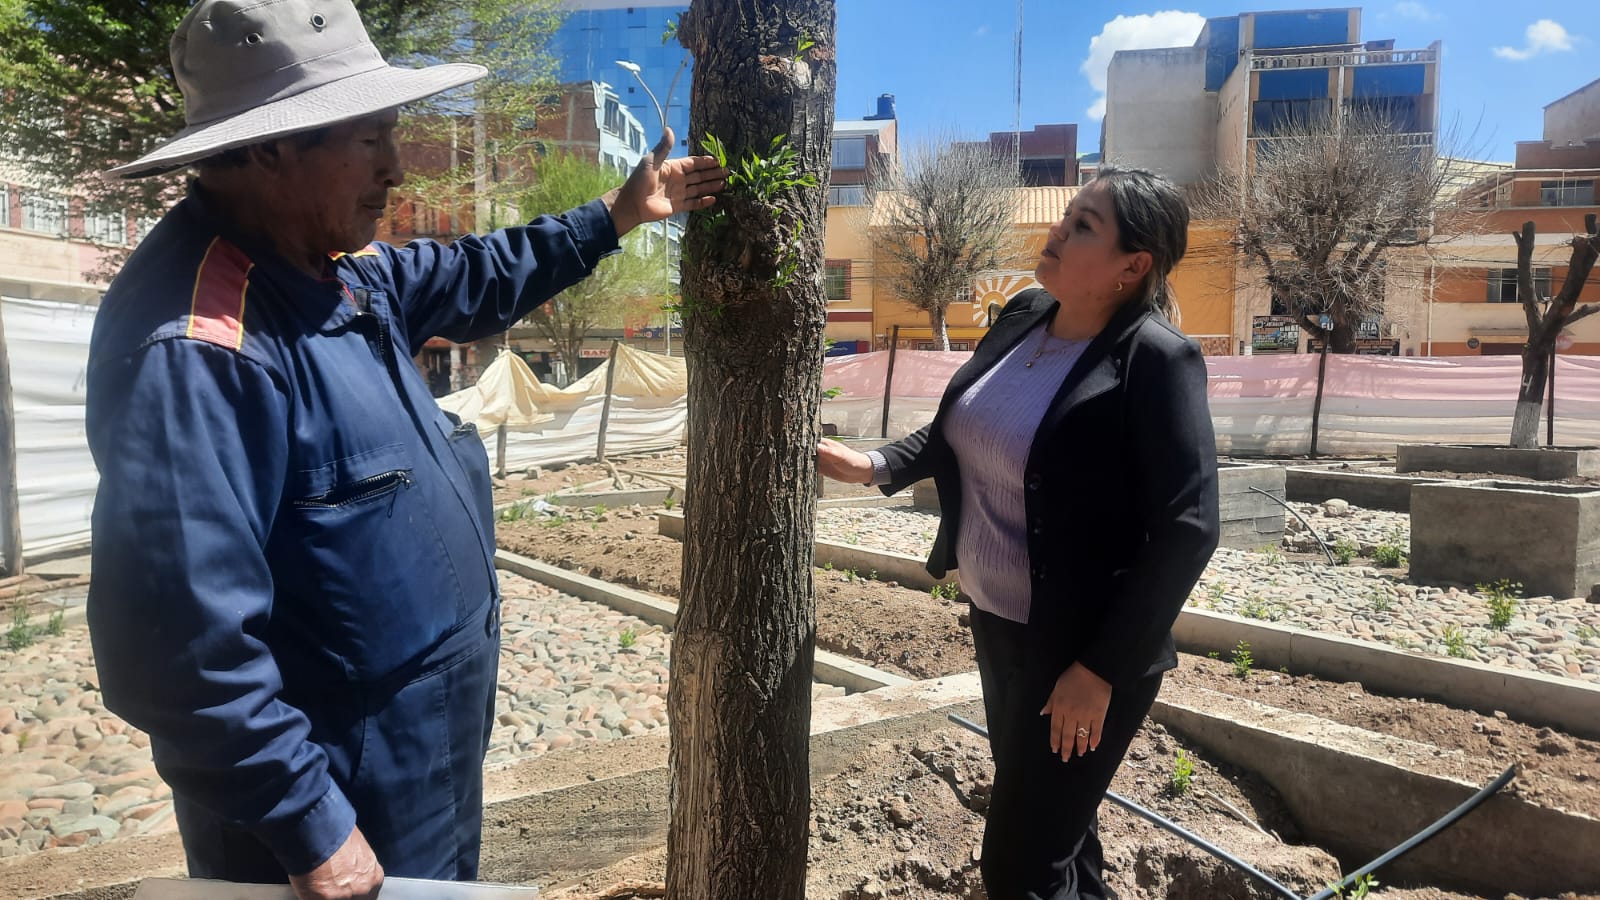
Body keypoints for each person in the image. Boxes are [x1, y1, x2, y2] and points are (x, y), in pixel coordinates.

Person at [84, 2, 723, 898]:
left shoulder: (337, 268)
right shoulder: (200, 347)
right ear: (272, 146)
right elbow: (177, 645)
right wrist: (311, 828)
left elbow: (477, 272)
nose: (396, 163)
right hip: (342, 791)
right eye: (372, 135)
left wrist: (618, 214)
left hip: (419, 753)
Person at [818, 166, 1220, 900]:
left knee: (1019, 866)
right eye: (1066, 217)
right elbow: (959, 427)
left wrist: (1099, 670)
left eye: (1083, 227)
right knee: (1060, 832)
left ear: (1134, 266)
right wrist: (870, 464)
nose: (1056, 234)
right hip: (1000, 624)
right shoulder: (1025, 314)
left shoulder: (1157, 360)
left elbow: (1188, 528)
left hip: (1082, 652)